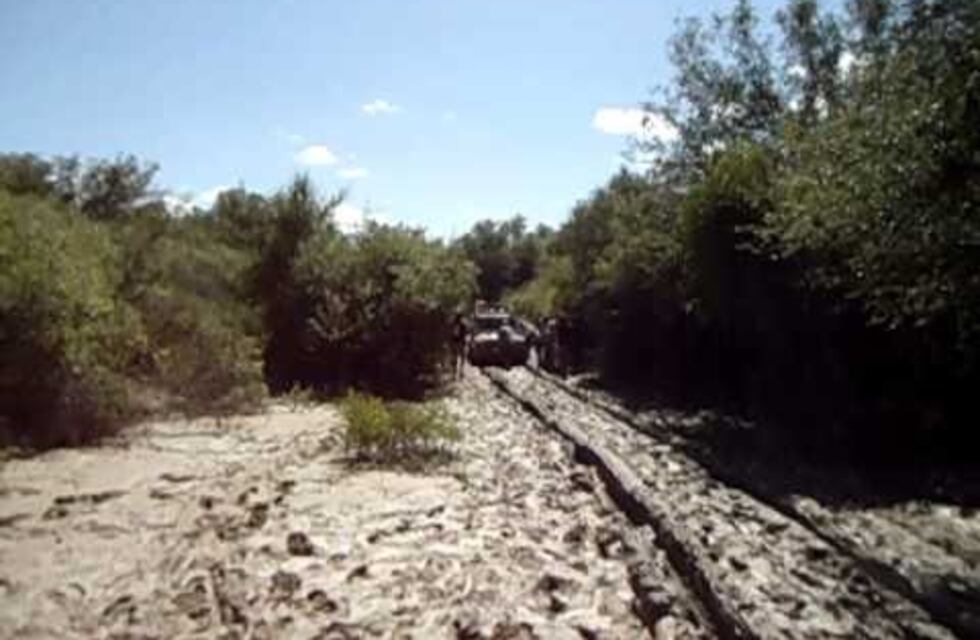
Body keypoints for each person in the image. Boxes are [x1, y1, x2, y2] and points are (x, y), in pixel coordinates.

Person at [450, 312, 469, 379]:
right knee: (462, 358)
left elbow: (451, 335)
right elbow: (466, 334)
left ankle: (454, 373)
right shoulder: (463, 325)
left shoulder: (452, 325)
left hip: (455, 343)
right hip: (461, 343)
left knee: (454, 358)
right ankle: (461, 372)